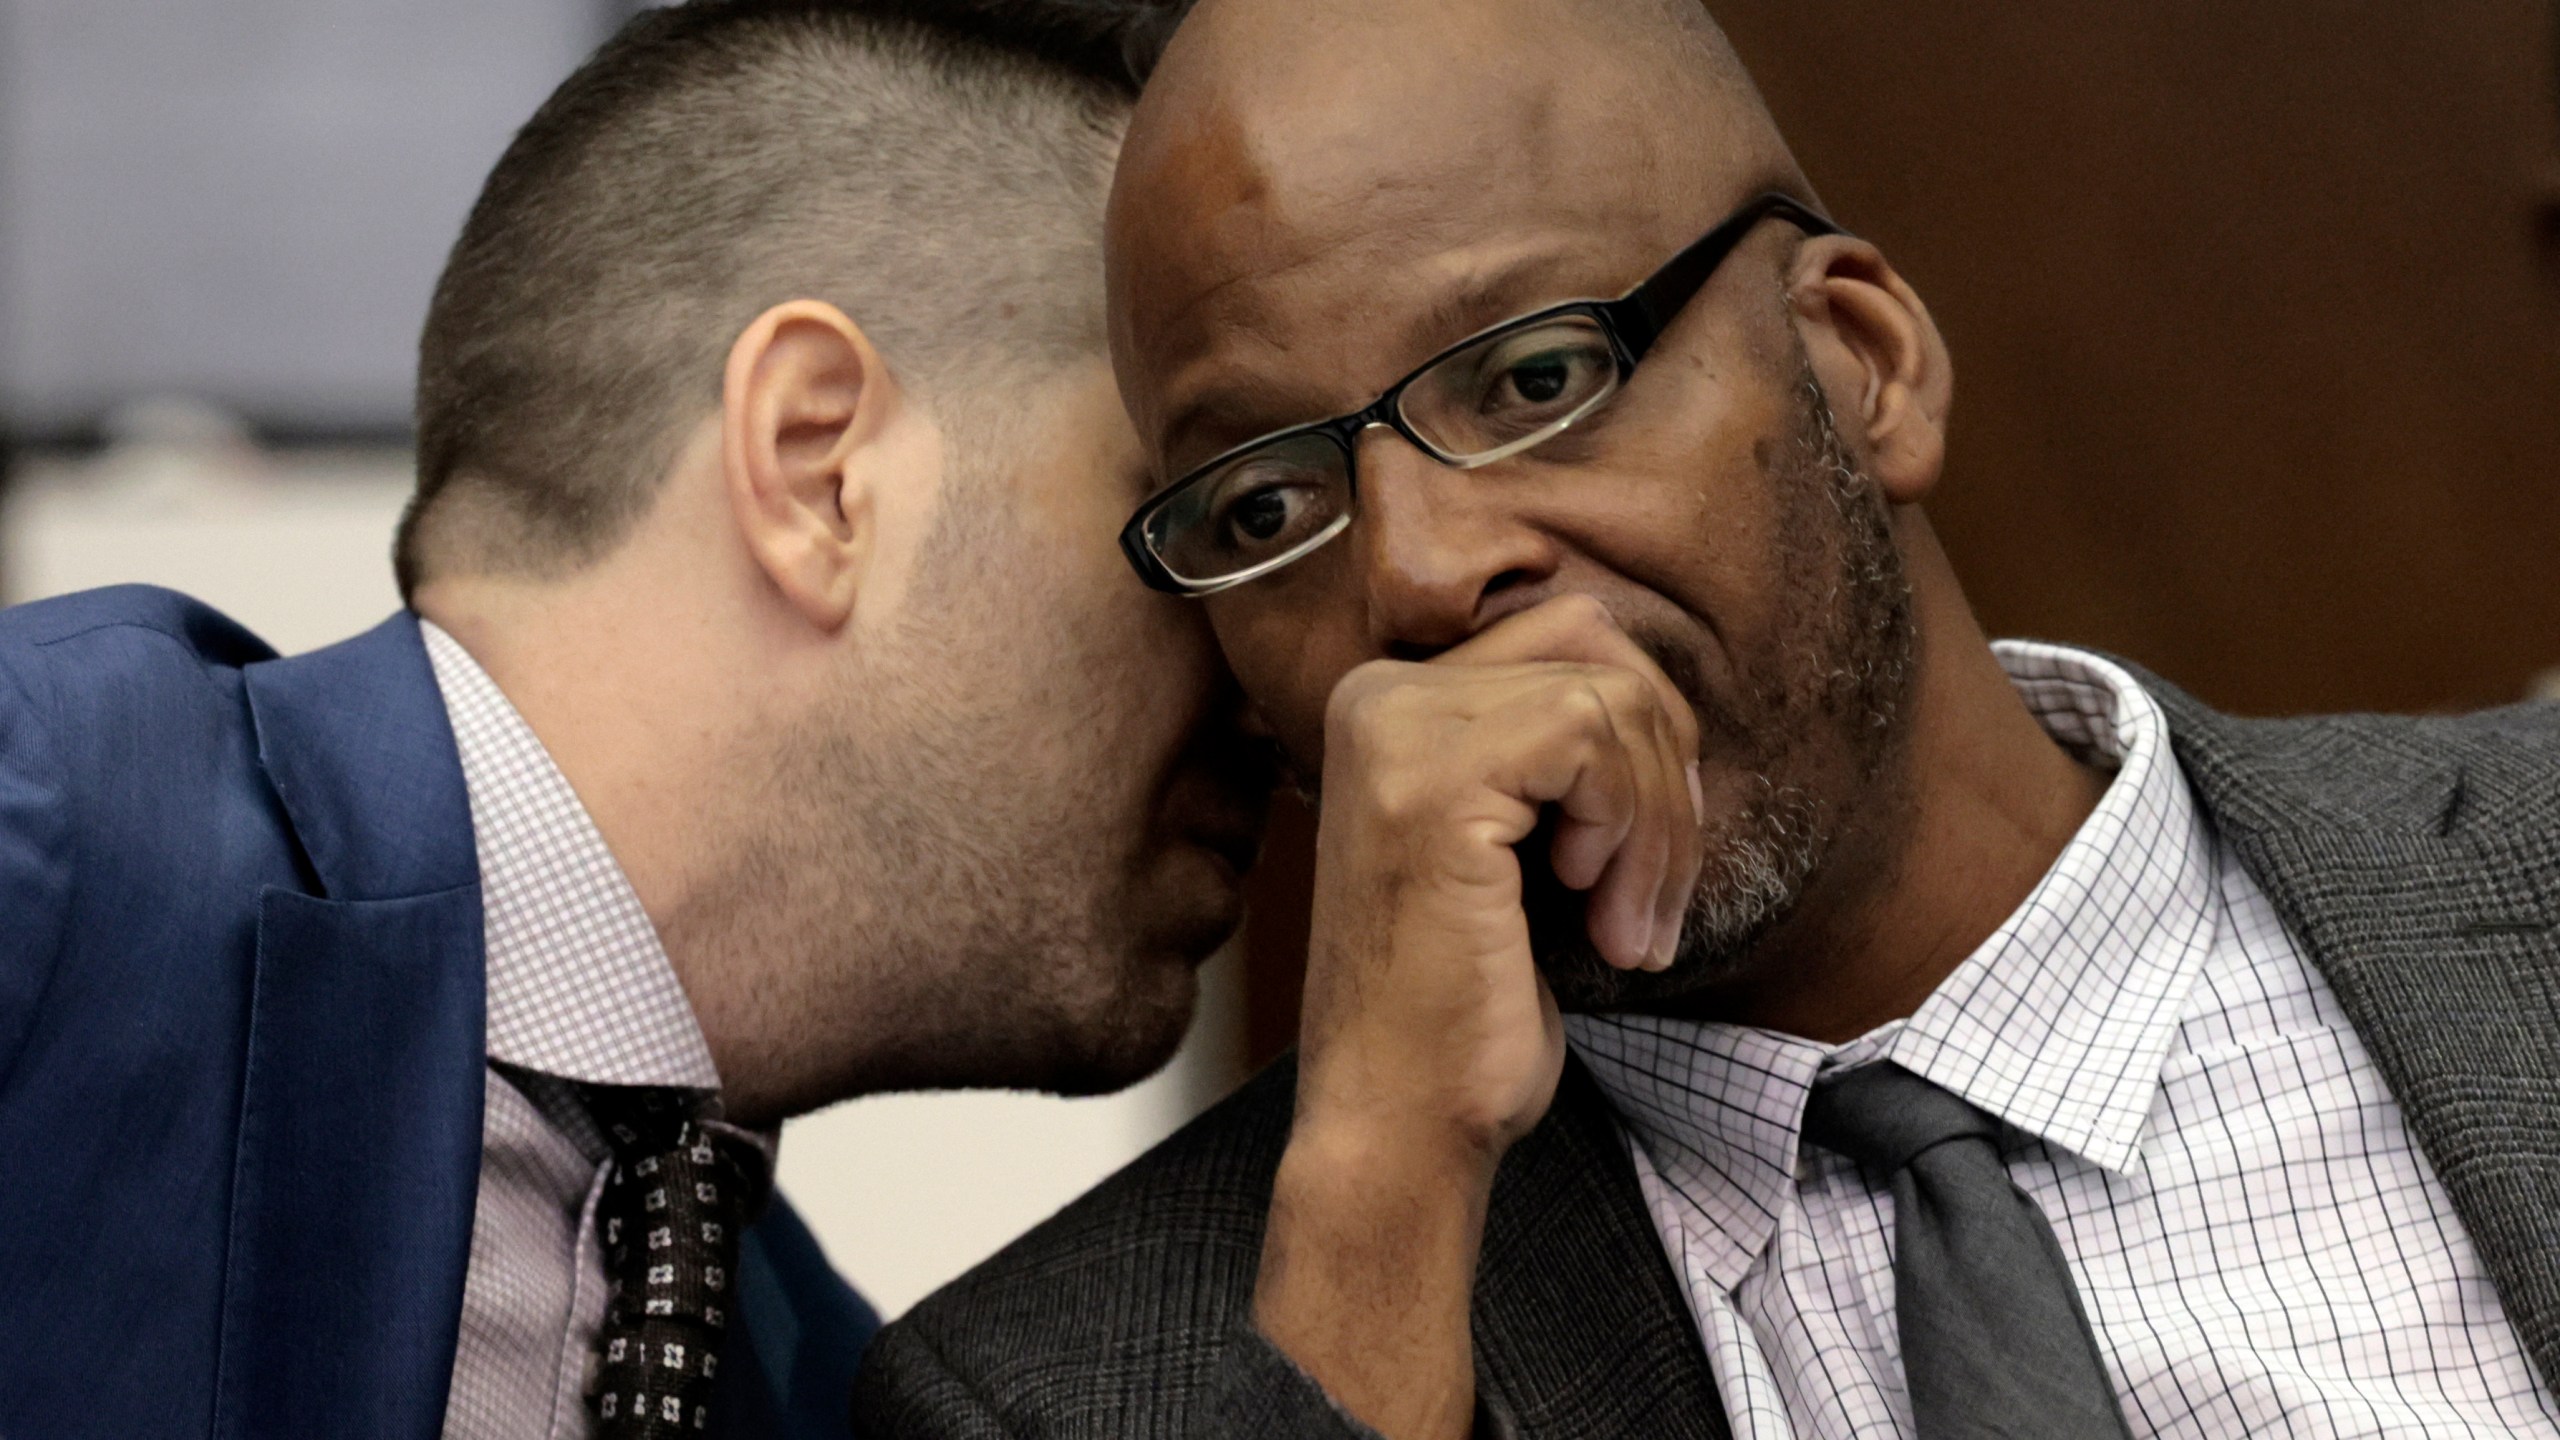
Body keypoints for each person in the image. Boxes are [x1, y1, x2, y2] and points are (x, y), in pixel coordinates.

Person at [855, 0, 2560, 1435]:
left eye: (1533, 379)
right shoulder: (1050, 1390)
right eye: (1263, 508)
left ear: (1861, 359)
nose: (1426, 575)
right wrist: (1386, 1187)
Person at [0, 3, 1246, 1439]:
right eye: (1199, 513)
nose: (1272, 670)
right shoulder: (49, 823)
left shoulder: (811, 1363)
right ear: (818, 464)